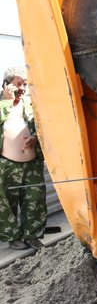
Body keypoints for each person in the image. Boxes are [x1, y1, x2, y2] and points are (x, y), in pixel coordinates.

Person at [0, 67, 46, 250]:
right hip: (6, 165)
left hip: (32, 164)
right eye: (19, 84)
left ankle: (32, 235)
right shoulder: (2, 105)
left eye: (25, 84)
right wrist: (6, 101)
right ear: (6, 84)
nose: (23, 88)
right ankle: (13, 236)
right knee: (6, 203)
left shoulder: (29, 106)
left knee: (34, 200)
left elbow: (42, 129)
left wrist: (34, 139)